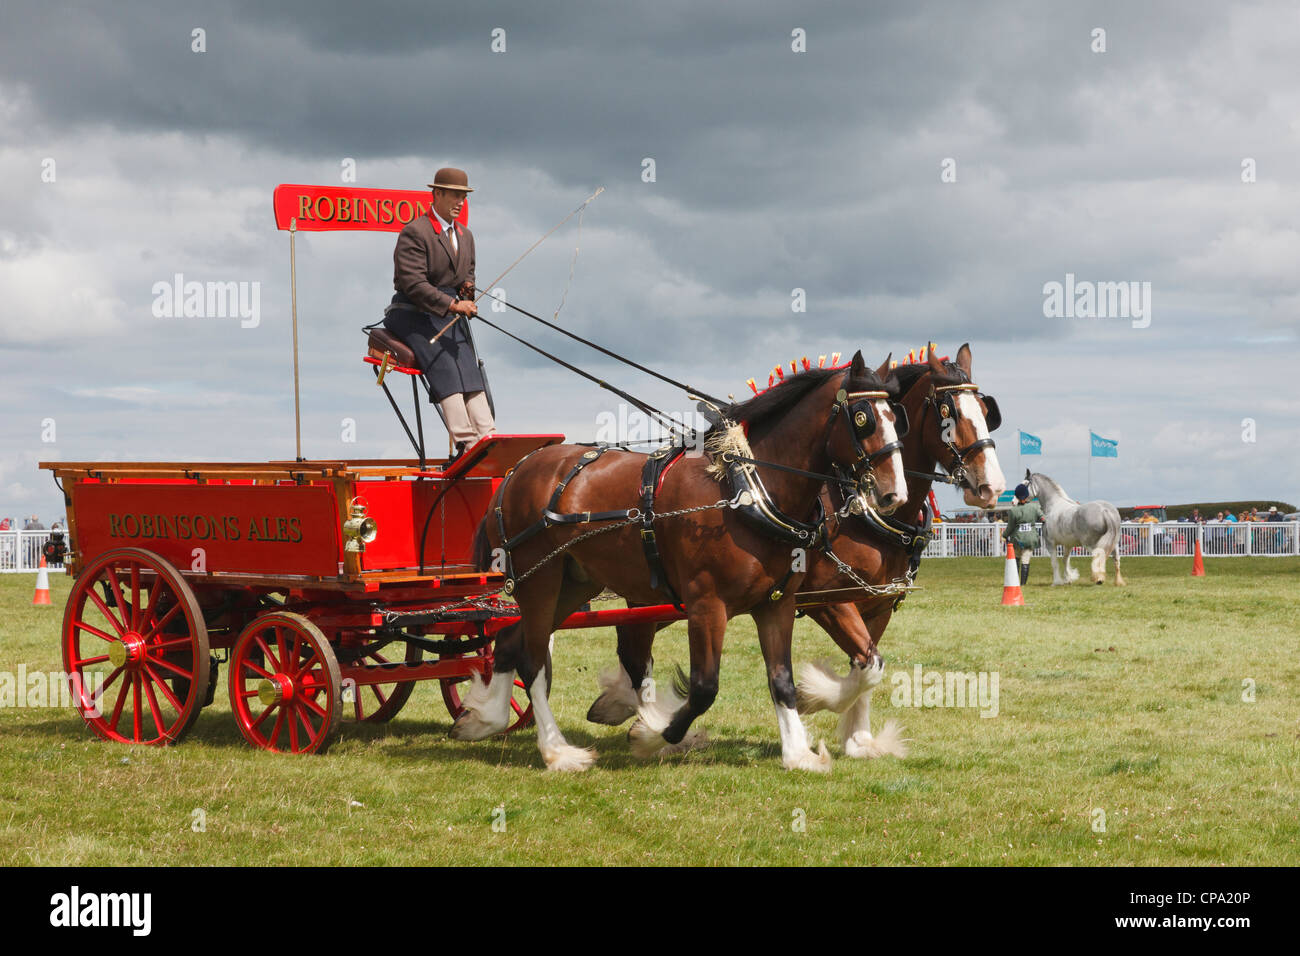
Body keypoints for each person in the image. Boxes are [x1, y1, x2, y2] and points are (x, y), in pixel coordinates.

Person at [384, 167, 494, 461]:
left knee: (468, 365)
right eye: (455, 195)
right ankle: (466, 442)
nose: (460, 202)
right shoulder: (415, 232)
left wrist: (467, 290)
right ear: (437, 194)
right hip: (412, 312)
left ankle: (488, 436)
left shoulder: (465, 236)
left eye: (464, 197)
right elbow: (413, 283)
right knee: (445, 363)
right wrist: (453, 305)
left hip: (447, 314)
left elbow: (466, 276)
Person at [1003, 483, 1044, 586]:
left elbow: (1010, 527)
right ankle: (1023, 584)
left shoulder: (1013, 511)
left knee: (1016, 559)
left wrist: (1004, 535)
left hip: (1017, 539)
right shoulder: (1034, 507)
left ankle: (1015, 581)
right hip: (1030, 539)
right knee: (1026, 560)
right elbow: (1043, 518)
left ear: (1016, 496)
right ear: (1026, 496)